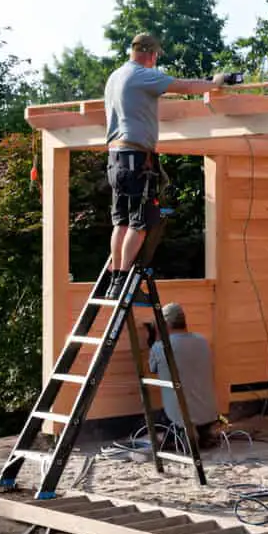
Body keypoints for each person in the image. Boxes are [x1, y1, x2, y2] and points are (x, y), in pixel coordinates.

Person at [103, 32, 227, 299]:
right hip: (136, 158)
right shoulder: (142, 75)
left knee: (121, 221)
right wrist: (214, 84)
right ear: (151, 54)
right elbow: (183, 86)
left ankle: (115, 280)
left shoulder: (115, 77)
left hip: (115, 158)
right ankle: (123, 281)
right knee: (140, 222)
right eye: (156, 55)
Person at [147, 302, 220, 449]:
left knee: (154, 420)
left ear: (164, 324)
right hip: (209, 414)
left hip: (178, 417)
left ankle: (182, 435)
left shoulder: (160, 346)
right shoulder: (202, 341)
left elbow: (152, 368)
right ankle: (203, 434)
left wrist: (156, 339)